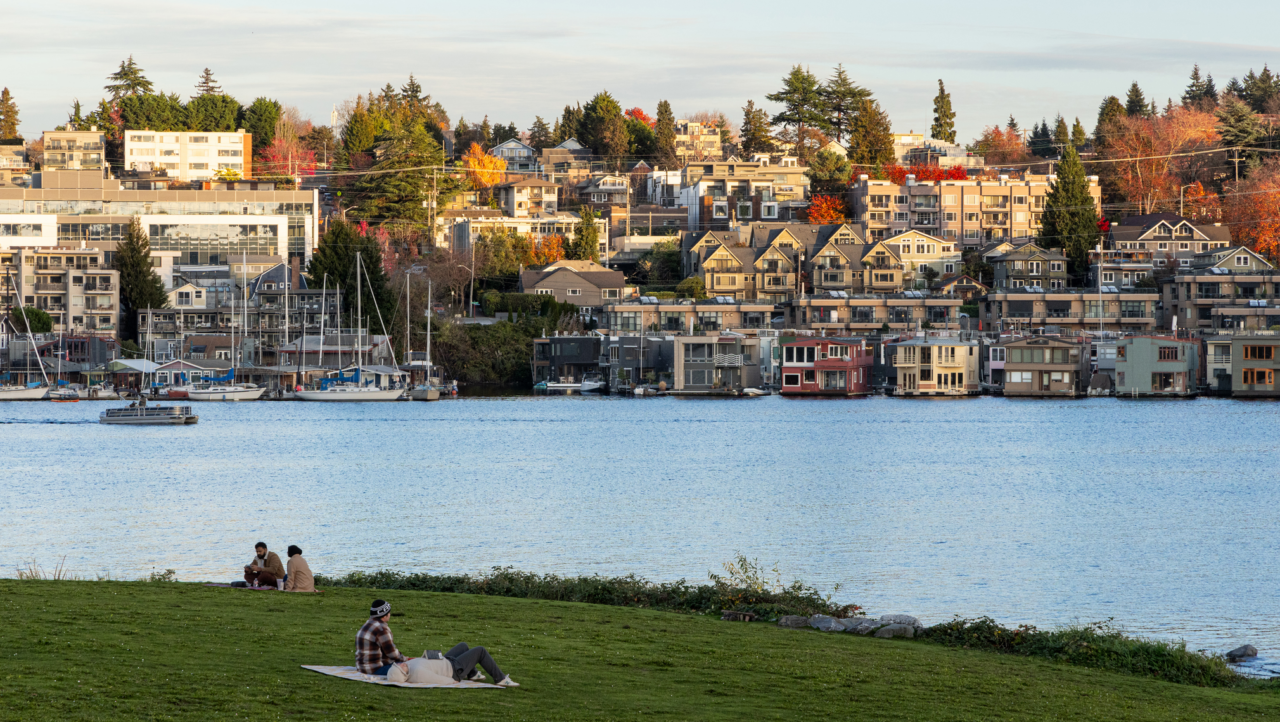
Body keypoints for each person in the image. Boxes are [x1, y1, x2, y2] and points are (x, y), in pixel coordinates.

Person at [356, 599, 409, 676]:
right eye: (389, 612)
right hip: (375, 669)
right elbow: (392, 653)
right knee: (409, 667)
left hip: (361, 668)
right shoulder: (381, 629)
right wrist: (405, 659)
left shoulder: (366, 624)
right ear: (385, 615)